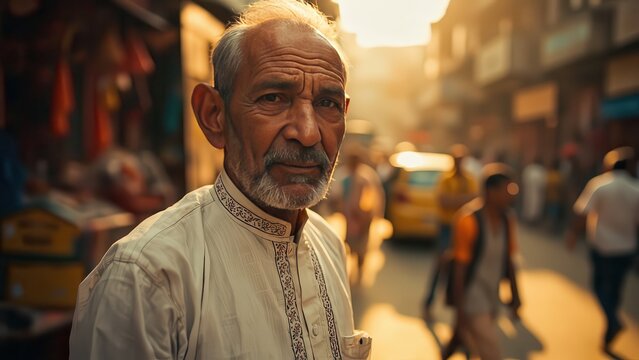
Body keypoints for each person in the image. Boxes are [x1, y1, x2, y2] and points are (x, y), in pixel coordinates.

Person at [69, 1, 373, 359]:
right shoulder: (146, 277)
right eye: (274, 98)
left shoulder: (329, 246)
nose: (307, 133)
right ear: (214, 115)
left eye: (327, 103)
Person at [566, 147, 639, 355]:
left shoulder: (599, 185)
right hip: (626, 248)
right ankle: (611, 325)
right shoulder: (636, 189)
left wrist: (572, 234)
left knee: (599, 286)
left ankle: (613, 321)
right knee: (615, 289)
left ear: (609, 166)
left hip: (602, 246)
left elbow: (581, 212)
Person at [444, 164, 521, 360]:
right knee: (491, 350)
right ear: (491, 191)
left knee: (468, 340)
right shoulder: (468, 220)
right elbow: (459, 268)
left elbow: (509, 259)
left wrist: (515, 293)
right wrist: (460, 310)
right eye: (506, 190)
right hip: (472, 296)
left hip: (491, 295)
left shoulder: (507, 220)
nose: (511, 195)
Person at [422, 144, 478, 317]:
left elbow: (473, 202)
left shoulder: (470, 180)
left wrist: (454, 201)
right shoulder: (445, 180)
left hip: (464, 228)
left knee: (464, 265)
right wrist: (461, 201)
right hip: (446, 227)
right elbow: (444, 201)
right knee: (440, 265)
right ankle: (429, 303)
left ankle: (463, 307)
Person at [341, 145, 384, 285]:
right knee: (351, 243)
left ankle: (359, 270)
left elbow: (373, 198)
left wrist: (366, 215)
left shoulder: (365, 177)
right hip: (352, 217)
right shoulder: (347, 175)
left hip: (362, 216)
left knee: (361, 244)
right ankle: (354, 269)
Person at [521, 158, 547, 224]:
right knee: (532, 205)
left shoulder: (530, 168)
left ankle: (530, 219)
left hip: (531, 191)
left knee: (532, 205)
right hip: (534, 191)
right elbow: (543, 182)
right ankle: (530, 219)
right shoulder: (540, 170)